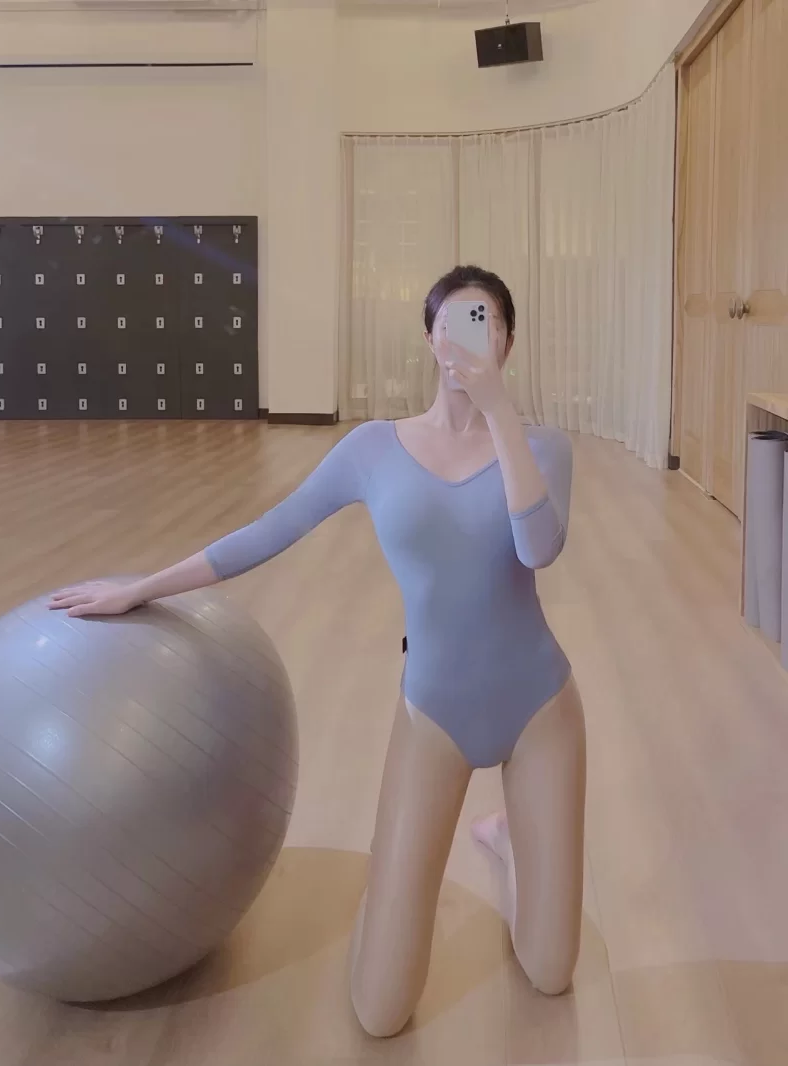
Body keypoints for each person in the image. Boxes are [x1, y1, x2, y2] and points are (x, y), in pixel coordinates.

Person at [49, 265, 586, 1038]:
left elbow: (538, 550)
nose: (468, 340)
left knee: (550, 971)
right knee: (380, 1010)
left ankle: (508, 843)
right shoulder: (373, 449)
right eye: (453, 324)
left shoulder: (543, 448)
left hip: (540, 707)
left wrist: (498, 409)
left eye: (486, 324)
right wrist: (143, 587)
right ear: (430, 338)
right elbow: (271, 529)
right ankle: (408, 875)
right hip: (435, 713)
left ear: (506, 342)